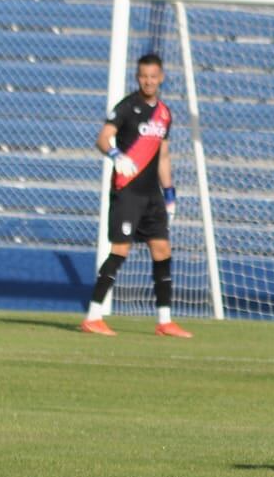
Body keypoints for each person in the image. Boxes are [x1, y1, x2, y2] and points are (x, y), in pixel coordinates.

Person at [81, 52, 192, 338]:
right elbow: (102, 138)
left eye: (153, 76)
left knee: (162, 250)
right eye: (144, 76)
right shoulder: (127, 107)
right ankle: (93, 316)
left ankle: (165, 321)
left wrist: (169, 193)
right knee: (120, 250)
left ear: (161, 77)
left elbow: (164, 155)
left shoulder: (165, 114)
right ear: (137, 77)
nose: (148, 81)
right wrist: (116, 154)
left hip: (151, 194)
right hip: (127, 190)